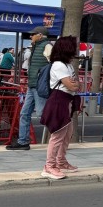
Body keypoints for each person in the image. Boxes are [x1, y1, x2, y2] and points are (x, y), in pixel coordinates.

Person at [39, 36, 82, 179]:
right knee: (57, 135)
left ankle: (61, 161)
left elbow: (77, 85)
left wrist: (74, 84)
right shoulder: (59, 65)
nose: (76, 48)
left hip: (67, 100)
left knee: (67, 134)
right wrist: (73, 84)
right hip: (59, 100)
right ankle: (49, 166)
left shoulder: (68, 65)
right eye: (74, 45)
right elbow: (72, 85)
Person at [7, 27, 52, 151]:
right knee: (24, 113)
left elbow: (53, 65)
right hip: (32, 86)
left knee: (42, 114)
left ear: (40, 35)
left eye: (32, 34)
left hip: (39, 86)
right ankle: (23, 142)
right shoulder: (36, 47)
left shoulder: (47, 47)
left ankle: (60, 137)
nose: (30, 36)